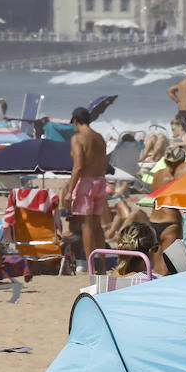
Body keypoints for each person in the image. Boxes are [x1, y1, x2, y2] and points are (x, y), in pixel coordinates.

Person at [60, 106, 109, 263]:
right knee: (97, 225)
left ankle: (90, 266)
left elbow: (79, 166)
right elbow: (104, 162)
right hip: (100, 181)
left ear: (75, 121)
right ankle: (102, 263)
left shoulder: (78, 138)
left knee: (86, 225)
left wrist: (69, 191)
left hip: (86, 183)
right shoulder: (100, 138)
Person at [145, 145, 186, 248]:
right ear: (180, 160)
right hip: (171, 223)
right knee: (169, 262)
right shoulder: (176, 177)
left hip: (153, 221)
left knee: (156, 263)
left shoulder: (157, 174)